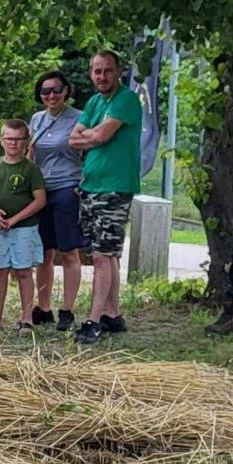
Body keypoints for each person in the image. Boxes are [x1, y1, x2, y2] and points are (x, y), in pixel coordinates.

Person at [69, 50, 142, 345]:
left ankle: (93, 320)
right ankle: (112, 312)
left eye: (107, 71)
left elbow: (98, 137)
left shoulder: (126, 99)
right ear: (90, 73)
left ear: (118, 72)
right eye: (97, 71)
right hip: (90, 185)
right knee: (105, 253)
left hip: (115, 186)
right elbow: (73, 138)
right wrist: (93, 135)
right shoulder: (95, 102)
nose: (102, 77)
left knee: (101, 255)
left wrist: (93, 136)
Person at [28, 69, 85, 331]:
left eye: (56, 90)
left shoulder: (79, 118)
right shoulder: (37, 119)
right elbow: (31, 154)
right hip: (41, 189)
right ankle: (44, 306)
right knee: (44, 252)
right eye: (45, 91)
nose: (51, 95)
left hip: (67, 187)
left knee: (69, 251)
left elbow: (91, 152)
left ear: (66, 91)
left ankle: (68, 309)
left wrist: (84, 183)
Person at [0, 120, 47, 330]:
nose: (14, 143)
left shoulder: (31, 169)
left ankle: (27, 317)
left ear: (26, 142)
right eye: (9, 138)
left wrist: (15, 219)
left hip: (24, 228)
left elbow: (40, 200)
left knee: (23, 271)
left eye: (19, 139)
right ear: (2, 140)